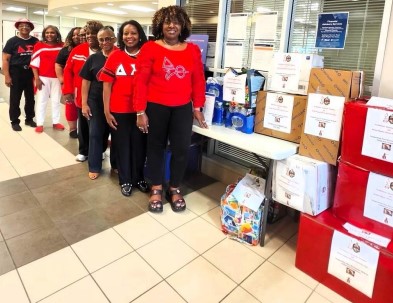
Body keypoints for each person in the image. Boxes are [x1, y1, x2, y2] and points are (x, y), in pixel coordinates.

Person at [134, 6, 207, 212]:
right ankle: (156, 187)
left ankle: (174, 188)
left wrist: (198, 106)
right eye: (167, 21)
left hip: (182, 108)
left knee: (181, 150)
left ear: (182, 25)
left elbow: (198, 80)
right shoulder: (150, 48)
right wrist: (140, 111)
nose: (171, 25)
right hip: (155, 107)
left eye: (176, 21)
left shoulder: (192, 49)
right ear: (160, 25)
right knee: (155, 148)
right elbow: (140, 82)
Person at [100, 20, 150, 196]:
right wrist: (106, 111)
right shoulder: (115, 56)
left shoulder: (147, 55)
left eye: (134, 33)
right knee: (122, 146)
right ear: (121, 37)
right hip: (119, 110)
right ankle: (126, 180)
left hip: (141, 110)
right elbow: (106, 86)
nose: (130, 37)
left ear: (140, 35)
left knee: (139, 146)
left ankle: (139, 178)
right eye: (126, 33)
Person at [63, 20, 104, 162]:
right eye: (87, 33)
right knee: (84, 125)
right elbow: (67, 70)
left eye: (93, 33)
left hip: (101, 96)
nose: (89, 36)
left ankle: (100, 149)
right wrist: (67, 90)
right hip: (82, 95)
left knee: (100, 126)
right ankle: (84, 150)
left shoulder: (108, 50)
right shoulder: (77, 50)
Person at [80, 26, 117, 180]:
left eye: (108, 38)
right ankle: (94, 165)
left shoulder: (120, 56)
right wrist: (84, 103)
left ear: (114, 39)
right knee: (95, 133)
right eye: (101, 39)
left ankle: (116, 165)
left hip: (116, 101)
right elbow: (85, 82)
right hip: (95, 100)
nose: (104, 42)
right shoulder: (93, 58)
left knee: (117, 134)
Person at [2, 18, 38, 131]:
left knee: (30, 98)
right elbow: (5, 59)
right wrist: (7, 76)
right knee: (15, 98)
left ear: (31, 28)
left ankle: (29, 119)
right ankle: (15, 121)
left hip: (30, 73)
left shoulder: (35, 41)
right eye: (22, 25)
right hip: (16, 73)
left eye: (27, 25)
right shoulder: (12, 41)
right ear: (18, 27)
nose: (24, 27)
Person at [30, 25, 64, 133]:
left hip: (57, 78)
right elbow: (34, 64)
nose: (49, 35)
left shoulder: (62, 46)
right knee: (41, 100)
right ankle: (39, 123)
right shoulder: (39, 45)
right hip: (43, 78)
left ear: (57, 34)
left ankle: (56, 121)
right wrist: (37, 78)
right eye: (47, 32)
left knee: (56, 100)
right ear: (44, 34)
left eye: (52, 32)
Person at [55, 27, 82, 138]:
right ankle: (72, 129)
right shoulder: (66, 50)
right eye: (74, 35)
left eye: (79, 35)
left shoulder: (90, 48)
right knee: (70, 105)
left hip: (83, 83)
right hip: (69, 82)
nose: (76, 37)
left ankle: (83, 129)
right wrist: (62, 80)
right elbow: (58, 65)